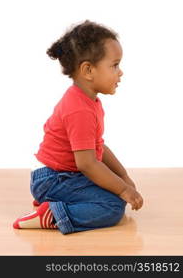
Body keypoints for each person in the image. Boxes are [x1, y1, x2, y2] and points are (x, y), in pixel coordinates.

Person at [13, 20, 143, 234]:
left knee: (113, 192)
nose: (120, 73)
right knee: (112, 206)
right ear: (88, 70)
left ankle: (57, 202)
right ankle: (53, 214)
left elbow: (99, 147)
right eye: (115, 65)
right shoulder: (78, 109)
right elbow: (87, 164)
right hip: (53, 178)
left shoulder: (89, 102)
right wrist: (123, 189)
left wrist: (123, 177)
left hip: (64, 175)